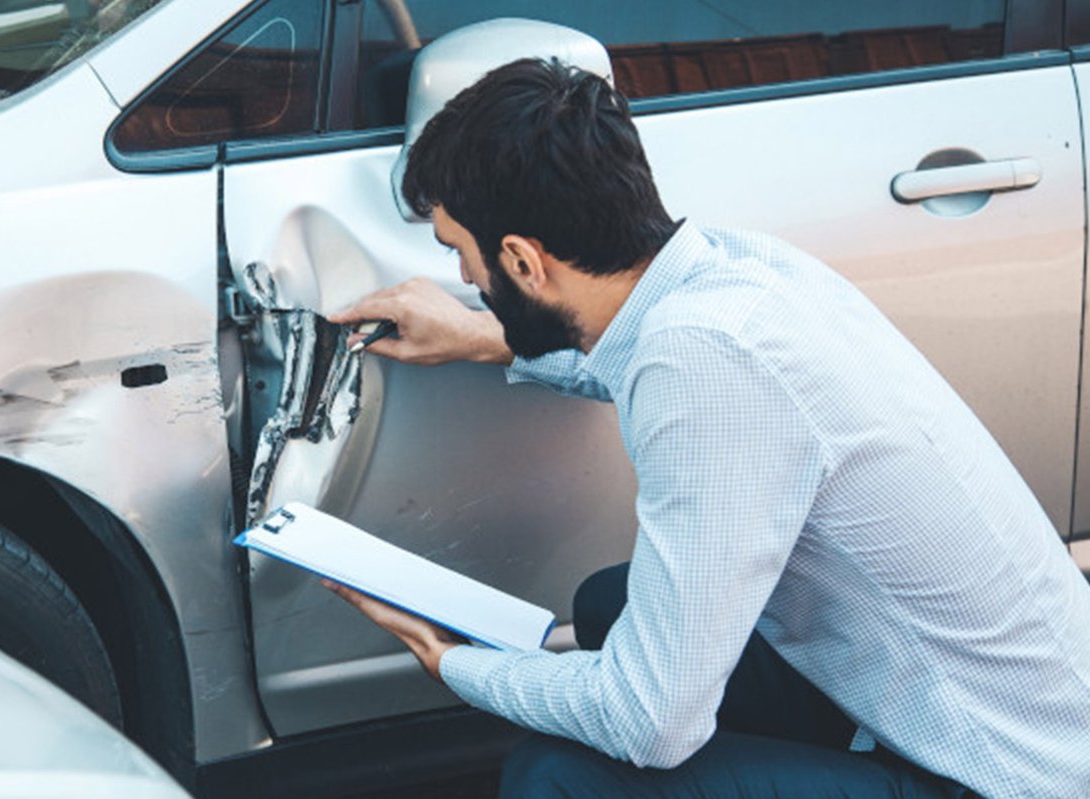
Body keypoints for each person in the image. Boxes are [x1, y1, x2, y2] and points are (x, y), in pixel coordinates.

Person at [325, 57, 1090, 798]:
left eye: (463, 255)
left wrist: (453, 659)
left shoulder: (702, 368)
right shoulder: (735, 272)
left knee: (555, 778)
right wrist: (479, 336)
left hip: (995, 775)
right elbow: (640, 356)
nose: (466, 280)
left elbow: (652, 722)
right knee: (608, 606)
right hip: (990, 706)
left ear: (523, 261)